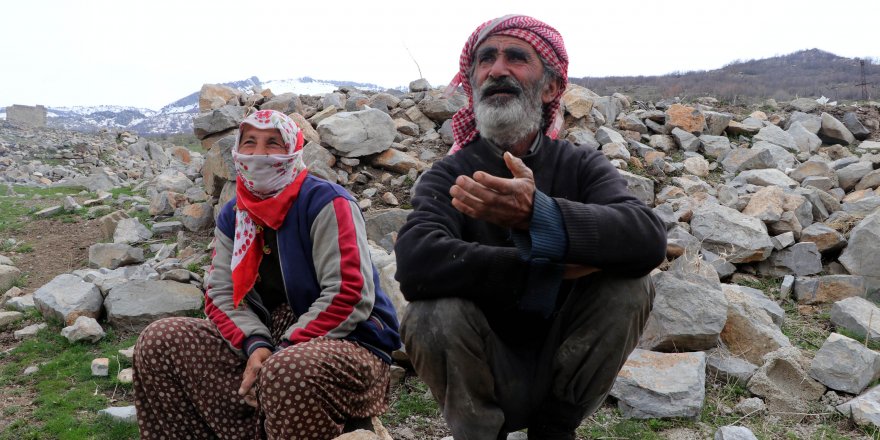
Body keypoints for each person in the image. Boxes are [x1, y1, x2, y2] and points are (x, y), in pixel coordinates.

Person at [394, 15, 667, 440]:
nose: (497, 70)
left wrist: (538, 215)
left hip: (566, 363)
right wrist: (547, 266)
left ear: (552, 87)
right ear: (473, 82)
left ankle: (555, 430)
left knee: (630, 286)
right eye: (486, 59)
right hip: (482, 364)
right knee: (430, 313)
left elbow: (646, 238)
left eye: (516, 57)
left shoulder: (579, 164)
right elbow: (416, 263)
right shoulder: (448, 175)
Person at [133, 109, 401, 440]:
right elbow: (220, 293)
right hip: (268, 340)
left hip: (349, 344)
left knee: (287, 371)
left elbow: (349, 293)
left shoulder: (326, 202)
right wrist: (256, 346)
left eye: (273, 143)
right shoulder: (235, 214)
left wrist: (281, 350)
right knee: (160, 340)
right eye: (249, 143)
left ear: (293, 150)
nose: (259, 155)